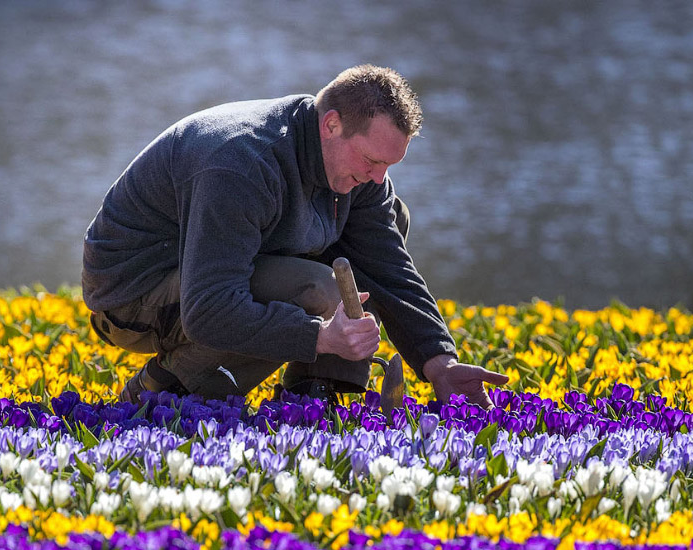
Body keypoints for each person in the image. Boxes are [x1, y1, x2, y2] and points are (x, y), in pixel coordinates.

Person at [82, 64, 508, 408]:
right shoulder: (241, 164)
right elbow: (208, 309)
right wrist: (319, 335)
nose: (378, 177)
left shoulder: (355, 172)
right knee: (318, 289)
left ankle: (317, 396)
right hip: (133, 294)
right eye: (372, 160)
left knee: (389, 219)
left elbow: (389, 268)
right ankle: (163, 391)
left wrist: (440, 363)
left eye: (390, 165)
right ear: (332, 124)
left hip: (211, 272)